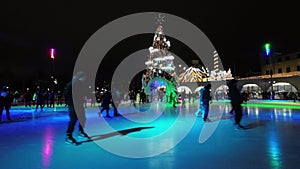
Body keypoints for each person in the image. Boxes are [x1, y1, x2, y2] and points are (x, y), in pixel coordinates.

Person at [65, 71, 90, 145]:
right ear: (81, 77)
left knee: (83, 118)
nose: (85, 78)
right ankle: (68, 136)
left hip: (79, 104)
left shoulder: (80, 84)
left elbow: (81, 93)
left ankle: (81, 131)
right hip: (73, 105)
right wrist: (72, 101)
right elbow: (66, 93)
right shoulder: (72, 84)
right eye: (84, 77)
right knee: (73, 120)